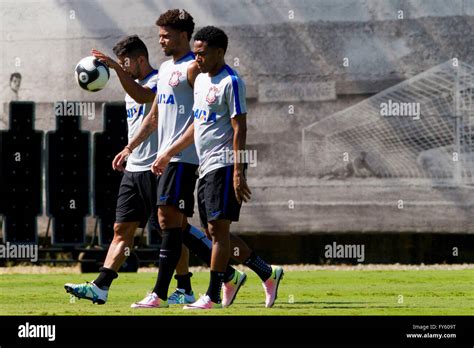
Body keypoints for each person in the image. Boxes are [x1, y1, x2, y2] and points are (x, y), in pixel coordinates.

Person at [152, 26, 284, 310]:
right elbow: (196, 126)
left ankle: (212, 294)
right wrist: (167, 153)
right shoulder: (200, 81)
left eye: (202, 54)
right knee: (213, 233)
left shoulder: (231, 82)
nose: (197, 59)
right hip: (205, 165)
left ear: (220, 52)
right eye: (195, 54)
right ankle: (266, 272)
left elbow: (240, 128)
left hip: (224, 164)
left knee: (217, 231)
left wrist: (239, 171)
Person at [64, 35, 197, 304]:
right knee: (121, 229)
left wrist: (114, 68)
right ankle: (101, 286)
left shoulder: (160, 80)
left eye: (126, 63)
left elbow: (143, 96)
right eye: (120, 65)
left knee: (172, 231)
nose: (123, 69)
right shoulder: (132, 84)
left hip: (156, 168)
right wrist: (128, 149)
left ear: (139, 59)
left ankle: (191, 284)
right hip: (134, 168)